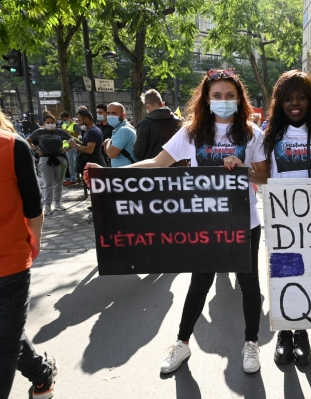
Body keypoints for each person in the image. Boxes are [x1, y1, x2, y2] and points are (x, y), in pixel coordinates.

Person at [84, 68, 269, 374]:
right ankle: (182, 344)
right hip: (204, 224)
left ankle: (250, 343)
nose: (223, 101)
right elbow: (157, 164)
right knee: (199, 283)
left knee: (249, 285)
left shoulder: (251, 134)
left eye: (230, 96)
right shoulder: (191, 133)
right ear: (207, 100)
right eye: (217, 95)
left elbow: (264, 174)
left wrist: (244, 170)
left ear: (240, 100)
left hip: (244, 221)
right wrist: (110, 174)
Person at [263, 70, 311, 365]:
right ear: (280, 102)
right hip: (282, 222)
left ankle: (302, 331)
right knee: (284, 276)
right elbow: (260, 175)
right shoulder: (269, 134)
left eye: (301, 97)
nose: (295, 103)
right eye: (288, 98)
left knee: (307, 278)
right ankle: (284, 332)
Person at [0, 111, 58, 399]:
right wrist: (34, 240)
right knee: (7, 336)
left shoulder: (14, 145)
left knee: (7, 336)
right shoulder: (13, 145)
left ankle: (42, 378)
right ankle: (42, 377)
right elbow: (33, 205)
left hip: (8, 262)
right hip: (10, 260)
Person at [26, 113, 73, 216]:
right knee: (48, 184)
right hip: (45, 159)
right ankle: (47, 206)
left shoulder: (60, 132)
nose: (50, 124)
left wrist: (66, 149)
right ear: (44, 123)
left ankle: (58, 203)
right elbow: (28, 141)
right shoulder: (39, 132)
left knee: (60, 181)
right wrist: (36, 148)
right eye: (48, 123)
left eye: (52, 122)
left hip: (60, 159)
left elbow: (73, 140)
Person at [133, 89, 183, 163]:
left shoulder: (144, 124)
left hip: (154, 170)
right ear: (162, 104)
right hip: (179, 170)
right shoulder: (179, 121)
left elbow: (138, 153)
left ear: (147, 105)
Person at [103, 102, 137, 167]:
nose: (110, 116)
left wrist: (108, 142)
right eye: (108, 113)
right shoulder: (120, 129)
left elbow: (111, 154)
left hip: (126, 173)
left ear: (123, 115)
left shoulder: (124, 130)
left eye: (114, 113)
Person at [59, 111, 81, 185]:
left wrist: (68, 132)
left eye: (65, 119)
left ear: (69, 117)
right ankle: (68, 177)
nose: (64, 121)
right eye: (63, 120)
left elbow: (78, 135)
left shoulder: (75, 125)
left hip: (72, 146)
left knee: (72, 162)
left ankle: (73, 178)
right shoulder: (64, 125)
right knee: (66, 163)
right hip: (64, 146)